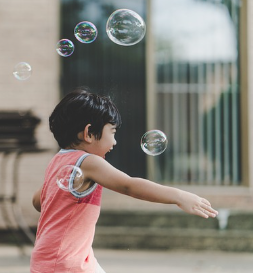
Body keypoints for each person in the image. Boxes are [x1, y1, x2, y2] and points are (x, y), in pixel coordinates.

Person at [30, 88, 218, 273]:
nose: (115, 142)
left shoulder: (58, 161)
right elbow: (129, 185)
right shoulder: (88, 162)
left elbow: (38, 202)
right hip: (65, 263)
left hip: (55, 257)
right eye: (112, 132)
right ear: (88, 133)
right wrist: (178, 196)